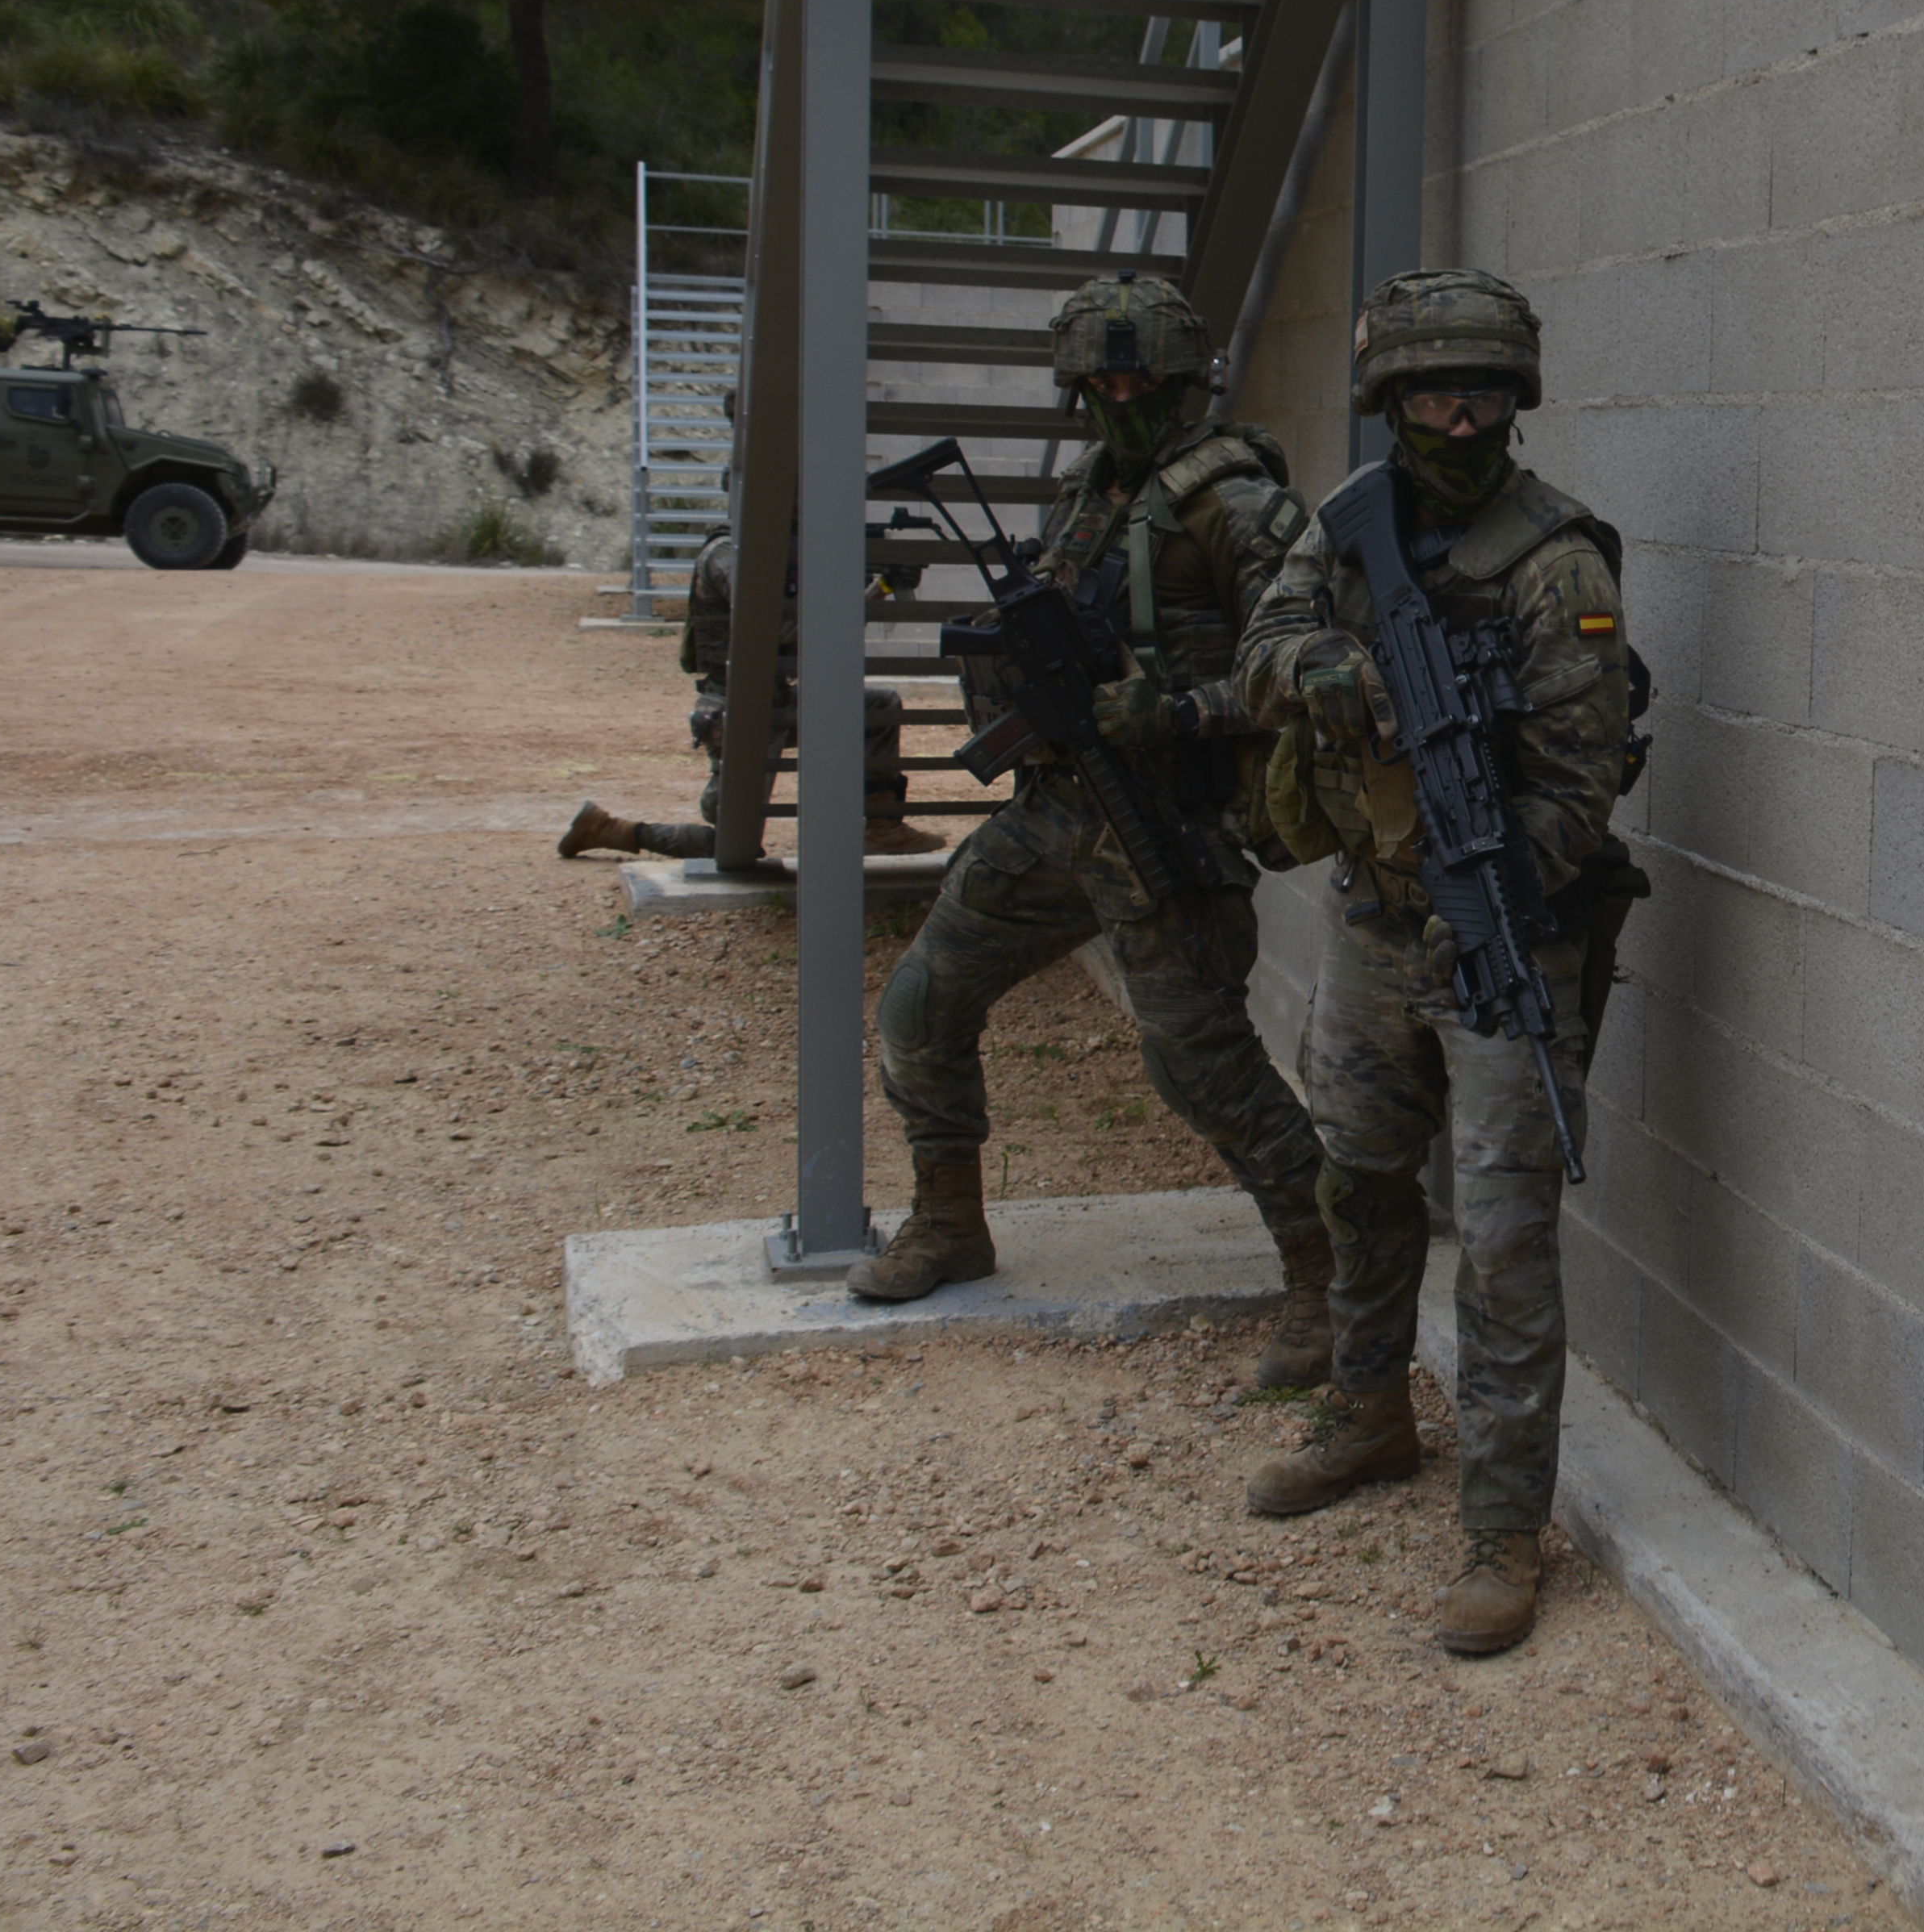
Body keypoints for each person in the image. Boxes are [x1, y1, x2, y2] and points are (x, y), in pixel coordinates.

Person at [1229, 268, 1642, 1659]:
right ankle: (1365, 1414)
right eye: (1429, 396)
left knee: (1508, 1240)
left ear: (1513, 401)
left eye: (1479, 395)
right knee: (1355, 1171)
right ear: (1389, 403)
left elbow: (1577, 799)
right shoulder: (1354, 537)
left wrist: (1487, 901)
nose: (1457, 422)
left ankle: (1501, 1526)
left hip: (1505, 928)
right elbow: (1261, 654)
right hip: (1369, 923)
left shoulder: (1558, 563)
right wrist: (1343, 679)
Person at [849, 274, 1342, 1390]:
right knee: (921, 1003)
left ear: (1185, 380)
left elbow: (1307, 674)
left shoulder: (1246, 508)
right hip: (1061, 814)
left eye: (1143, 378)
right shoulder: (1091, 494)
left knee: (1201, 1066)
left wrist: (1176, 708)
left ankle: (1329, 1278)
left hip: (1169, 821)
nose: (1122, 395)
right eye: (1102, 379)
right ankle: (947, 1218)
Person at [556, 528, 940, 862]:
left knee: (879, 706)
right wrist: (863, 588)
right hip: (738, 709)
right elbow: (781, 630)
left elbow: (816, 634)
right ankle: (612, 829)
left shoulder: (772, 554)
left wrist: (879, 586)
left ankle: (883, 825)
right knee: (734, 848)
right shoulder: (726, 555)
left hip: (776, 699)